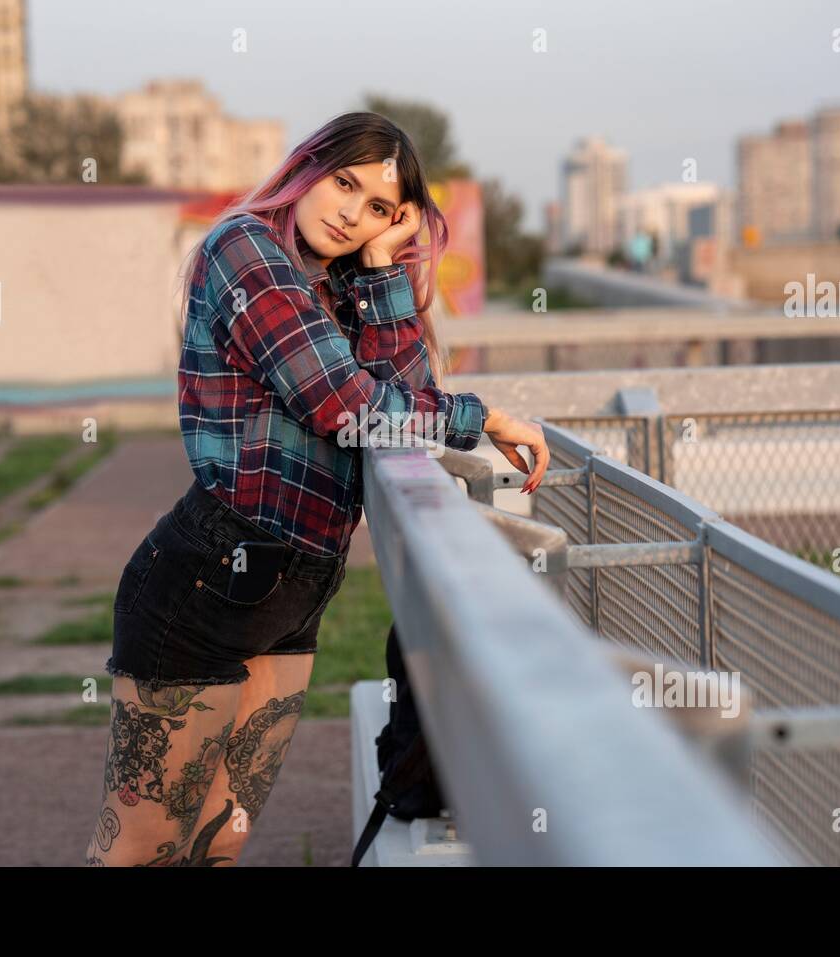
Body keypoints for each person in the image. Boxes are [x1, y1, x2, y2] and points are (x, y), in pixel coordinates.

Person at [84, 111, 549, 866]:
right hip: (206, 579)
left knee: (219, 843)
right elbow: (351, 407)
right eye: (344, 183)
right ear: (308, 167)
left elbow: (406, 394)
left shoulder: (336, 281)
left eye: (377, 207)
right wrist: (484, 418)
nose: (349, 212)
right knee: (143, 850)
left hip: (295, 591)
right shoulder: (246, 251)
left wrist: (380, 268)